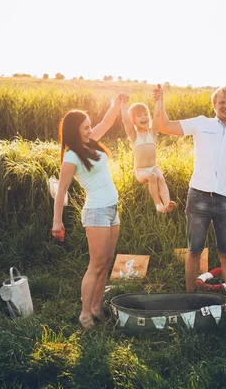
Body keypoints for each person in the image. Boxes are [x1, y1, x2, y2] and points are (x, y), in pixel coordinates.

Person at [153, 84, 226, 305]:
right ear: (214, 105)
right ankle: (190, 298)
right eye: (221, 102)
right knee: (194, 251)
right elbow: (164, 125)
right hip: (198, 198)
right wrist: (159, 100)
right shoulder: (201, 124)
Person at [51, 92, 128, 329]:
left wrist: (115, 103)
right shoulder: (72, 155)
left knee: (106, 262)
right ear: (75, 130)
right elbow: (61, 190)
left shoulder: (91, 143)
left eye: (89, 126)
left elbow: (106, 122)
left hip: (112, 210)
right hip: (96, 212)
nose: (89, 130)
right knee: (96, 264)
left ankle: (96, 306)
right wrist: (57, 222)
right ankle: (85, 314)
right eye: (85, 127)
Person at [120, 96, 176, 213]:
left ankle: (167, 204)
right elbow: (125, 120)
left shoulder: (153, 133)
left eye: (145, 114)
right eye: (139, 115)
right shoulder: (134, 136)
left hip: (153, 167)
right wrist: (123, 104)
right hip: (141, 171)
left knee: (160, 178)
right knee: (152, 177)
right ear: (133, 120)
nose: (144, 117)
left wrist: (159, 100)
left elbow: (157, 115)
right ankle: (158, 205)